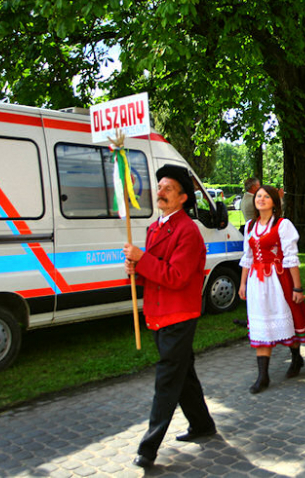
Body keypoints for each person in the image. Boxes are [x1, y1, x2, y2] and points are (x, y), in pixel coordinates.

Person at [123, 165, 217, 469]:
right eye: (159, 186)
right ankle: (202, 425)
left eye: (168, 189)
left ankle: (148, 448)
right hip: (158, 312)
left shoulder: (188, 231)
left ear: (182, 198)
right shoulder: (155, 227)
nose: (159, 192)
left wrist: (143, 260)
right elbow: (152, 271)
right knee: (183, 373)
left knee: (166, 379)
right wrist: (134, 271)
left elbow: (176, 276)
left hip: (178, 314)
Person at [238, 185, 305, 394]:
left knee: (285, 319)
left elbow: (291, 258)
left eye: (265, 196)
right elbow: (248, 257)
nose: (261, 199)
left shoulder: (283, 225)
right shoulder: (249, 226)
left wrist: (297, 287)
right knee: (260, 324)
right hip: (257, 282)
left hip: (278, 280)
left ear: (274, 201)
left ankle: (296, 357)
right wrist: (243, 283)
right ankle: (263, 376)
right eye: (258, 196)